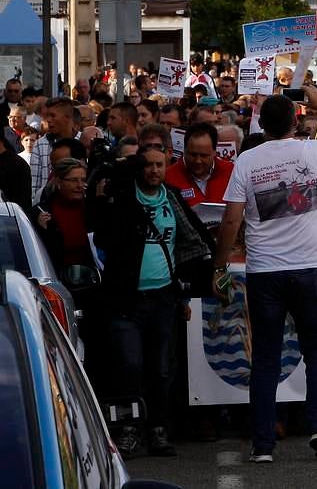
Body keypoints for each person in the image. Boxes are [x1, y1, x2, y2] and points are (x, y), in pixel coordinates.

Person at [212, 84, 317, 463]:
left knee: (266, 358)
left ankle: (263, 444)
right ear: (294, 121)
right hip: (308, 268)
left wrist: (220, 265)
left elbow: (231, 219)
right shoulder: (311, 151)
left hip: (265, 271)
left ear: (261, 124)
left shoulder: (247, 161)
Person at [97, 145, 215, 458]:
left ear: (167, 166)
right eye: (147, 165)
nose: (153, 171)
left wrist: (186, 290)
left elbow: (193, 242)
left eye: (159, 165)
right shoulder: (122, 198)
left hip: (163, 297)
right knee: (129, 366)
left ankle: (159, 428)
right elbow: (102, 235)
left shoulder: (173, 198)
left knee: (161, 369)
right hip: (126, 299)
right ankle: (130, 428)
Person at [164, 122, 234, 206]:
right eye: (193, 155)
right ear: (184, 150)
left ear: (215, 151)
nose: (198, 161)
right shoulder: (167, 177)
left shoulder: (232, 172)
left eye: (204, 155)